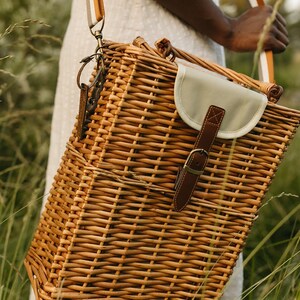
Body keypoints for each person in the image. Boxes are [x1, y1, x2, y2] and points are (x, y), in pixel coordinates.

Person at [33, 1, 288, 299]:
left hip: (141, 48)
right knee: (108, 238)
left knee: (99, 242)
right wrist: (227, 29)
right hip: (148, 59)